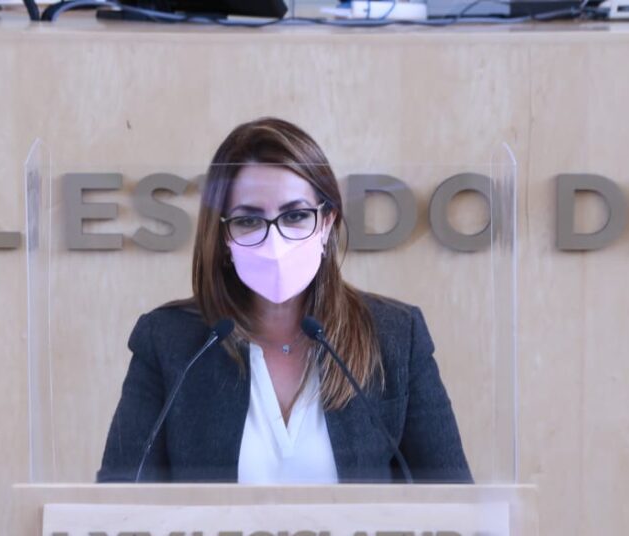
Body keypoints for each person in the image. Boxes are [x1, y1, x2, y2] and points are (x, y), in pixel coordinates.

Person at [96, 117, 472, 484]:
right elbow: (116, 506)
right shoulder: (169, 342)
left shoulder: (396, 336)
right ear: (223, 236)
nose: (275, 241)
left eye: (295, 215)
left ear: (326, 223)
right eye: (249, 220)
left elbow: (454, 507)